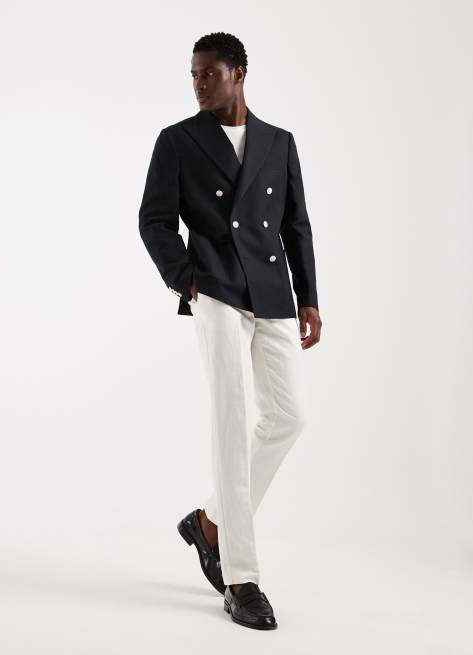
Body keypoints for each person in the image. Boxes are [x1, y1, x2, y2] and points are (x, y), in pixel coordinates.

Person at [139, 31, 322, 630]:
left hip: (271, 291)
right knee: (232, 417)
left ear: (239, 73)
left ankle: (209, 521)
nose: (198, 84)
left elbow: (296, 224)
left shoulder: (278, 142)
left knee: (288, 417)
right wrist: (186, 279)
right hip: (215, 286)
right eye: (194, 74)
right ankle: (241, 578)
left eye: (209, 74)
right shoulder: (178, 140)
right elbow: (154, 220)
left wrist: (308, 298)